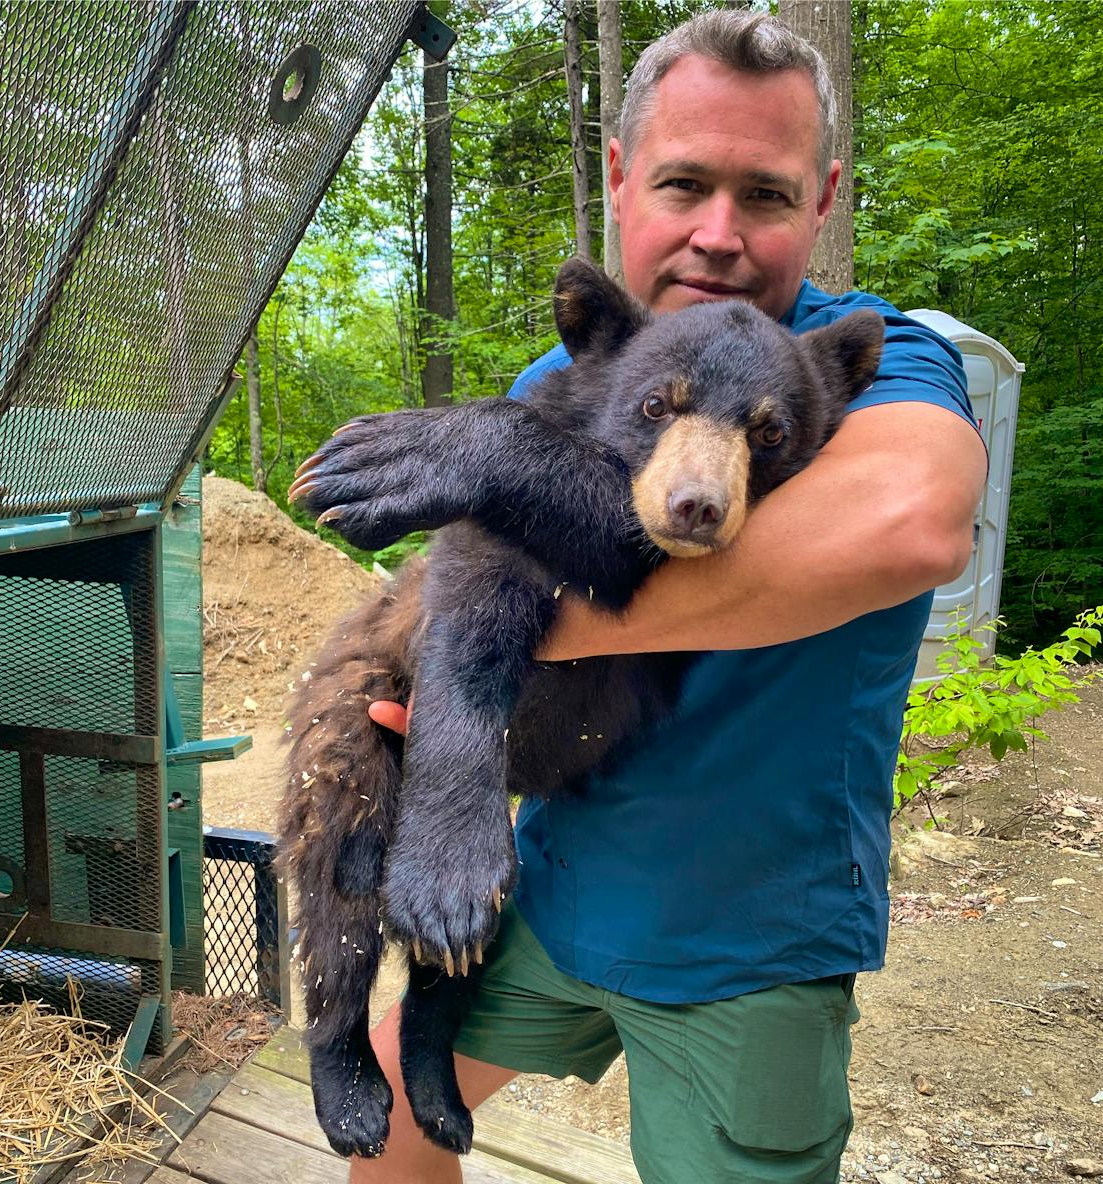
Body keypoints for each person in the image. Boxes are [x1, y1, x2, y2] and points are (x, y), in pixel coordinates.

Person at [355, 10, 987, 1184]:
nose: (718, 234)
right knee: (388, 1105)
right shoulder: (568, 376)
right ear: (619, 172)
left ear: (826, 199)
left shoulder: (871, 364)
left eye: (767, 195)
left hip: (747, 937)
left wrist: (512, 496)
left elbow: (912, 517)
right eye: (686, 181)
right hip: (556, 878)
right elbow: (455, 595)